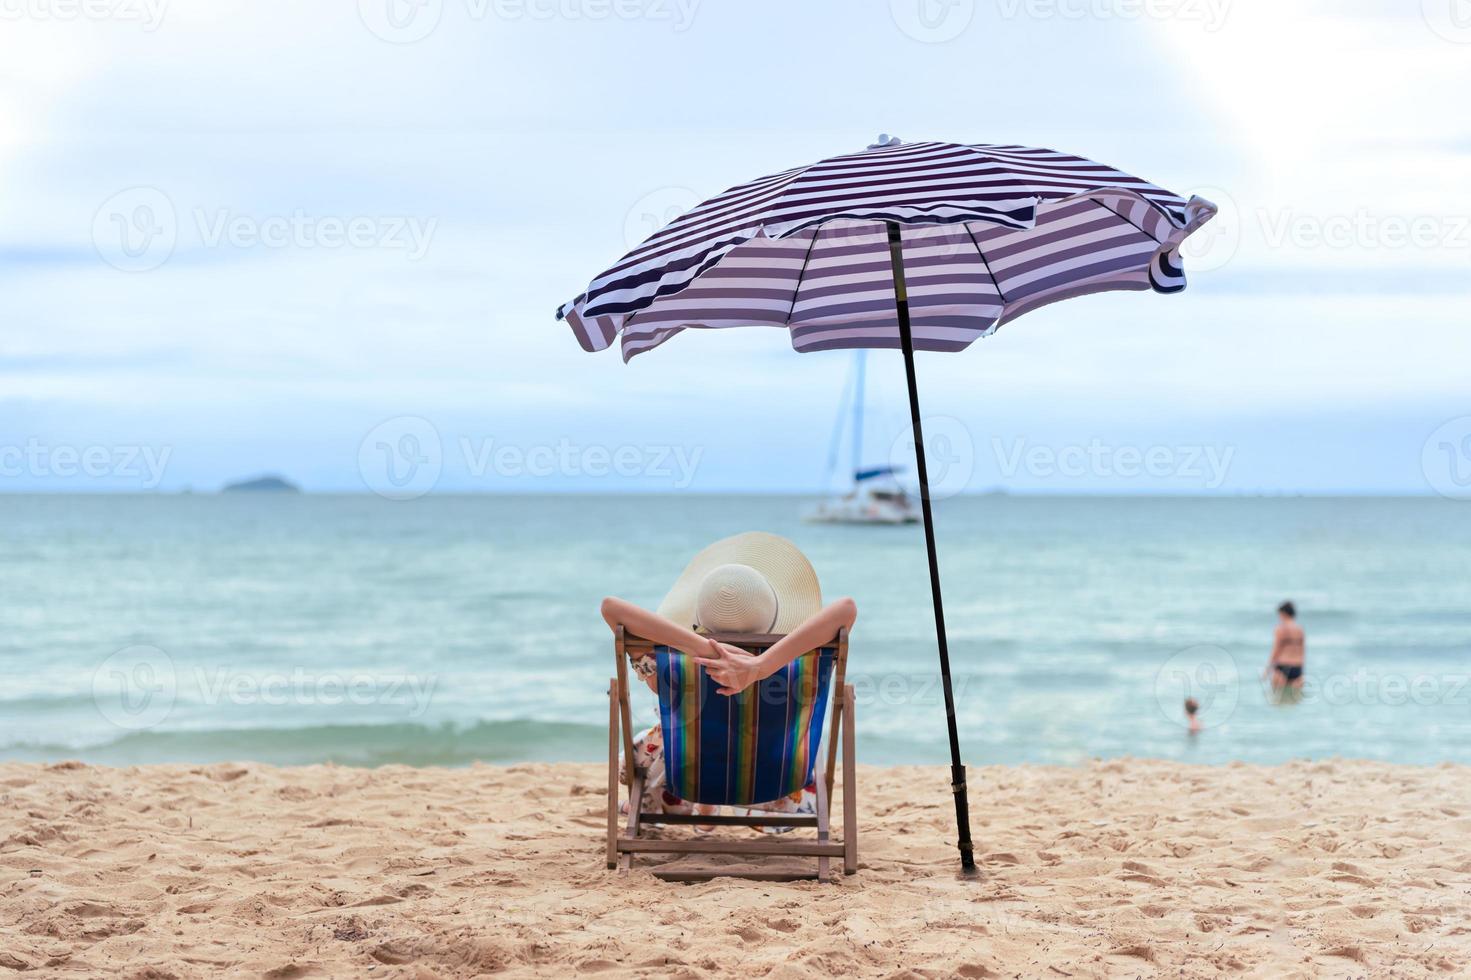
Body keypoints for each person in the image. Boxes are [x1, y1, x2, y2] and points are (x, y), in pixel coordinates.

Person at [600, 531, 857, 824]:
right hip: (779, 780)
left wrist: (703, 649)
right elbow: (846, 608)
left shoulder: (672, 669)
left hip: (690, 778)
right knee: (797, 733)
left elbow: (611, 607)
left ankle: (683, 808)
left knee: (654, 743)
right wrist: (760, 666)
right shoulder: (800, 667)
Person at [1264, 600, 1306, 692]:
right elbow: (1302, 651)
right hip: (1297, 667)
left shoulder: (1280, 629)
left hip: (1283, 667)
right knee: (1294, 700)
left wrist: (1267, 669)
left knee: (1279, 701)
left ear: (1283, 614)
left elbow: (1276, 650)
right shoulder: (1300, 630)